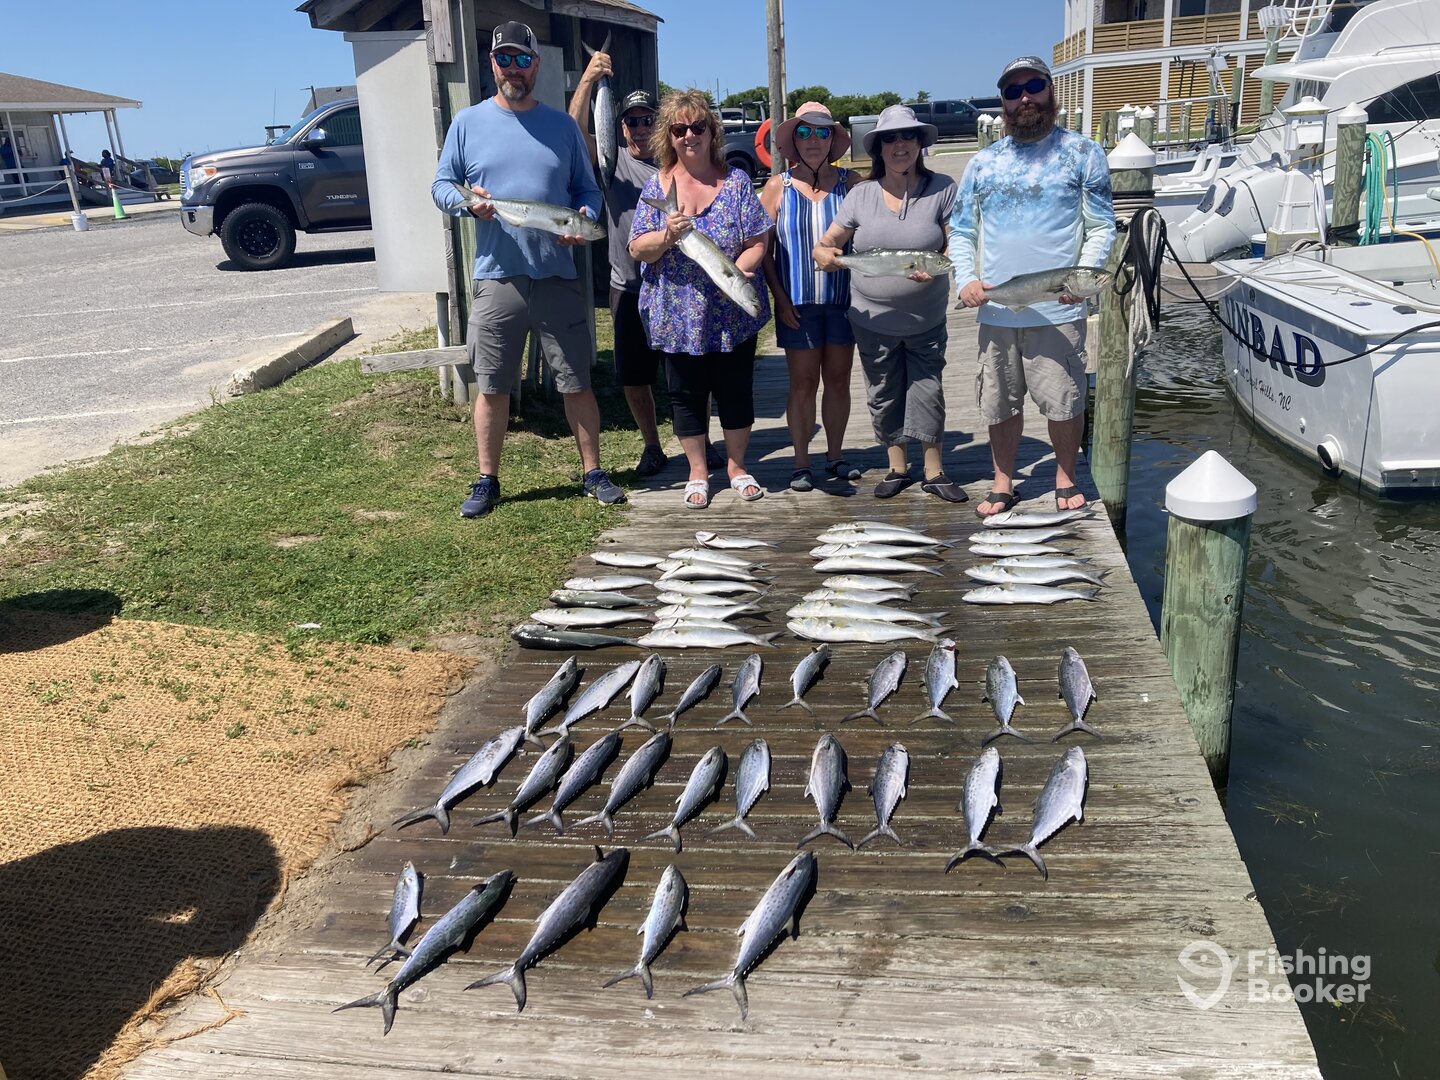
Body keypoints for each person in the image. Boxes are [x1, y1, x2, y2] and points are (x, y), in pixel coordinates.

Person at [431, 20, 623, 518]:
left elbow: (587, 191)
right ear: (492, 64)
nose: (513, 68)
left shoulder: (563, 127)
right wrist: (468, 205)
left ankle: (593, 472)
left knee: (576, 380)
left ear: (536, 65)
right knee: (492, 384)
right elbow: (442, 186)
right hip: (497, 275)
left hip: (556, 274)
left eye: (522, 59)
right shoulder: (467, 123)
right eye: (504, 59)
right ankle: (487, 479)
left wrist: (584, 217)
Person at [951, 55, 1115, 515]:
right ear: (1003, 102)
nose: (1024, 98)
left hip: (1060, 307)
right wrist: (966, 279)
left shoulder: (1083, 153)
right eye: (1013, 91)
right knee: (998, 401)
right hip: (997, 308)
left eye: (1034, 87)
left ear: (1051, 90)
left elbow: (1101, 226)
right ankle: (1003, 481)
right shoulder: (983, 163)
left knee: (1063, 399)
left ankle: (1066, 476)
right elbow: (961, 231)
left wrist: (1083, 278)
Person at [568, 54, 726, 479]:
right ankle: (653, 446)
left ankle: (702, 442)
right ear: (620, 128)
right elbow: (573, 130)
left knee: (691, 371)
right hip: (629, 284)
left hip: (679, 289)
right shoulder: (611, 161)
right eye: (631, 121)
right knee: (635, 377)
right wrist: (589, 80)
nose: (639, 128)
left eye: (646, 120)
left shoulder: (676, 162)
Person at [813, 104, 965, 502]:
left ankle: (934, 470)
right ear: (879, 147)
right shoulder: (860, 195)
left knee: (927, 389)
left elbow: (957, 241)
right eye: (890, 138)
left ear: (919, 143)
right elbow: (829, 242)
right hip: (871, 320)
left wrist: (938, 265)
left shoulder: (943, 188)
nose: (900, 145)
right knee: (883, 391)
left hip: (926, 318)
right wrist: (824, 253)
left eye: (908, 136)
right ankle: (898, 467)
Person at [629, 90, 772, 509]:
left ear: (712, 132)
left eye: (698, 126)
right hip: (677, 314)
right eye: (679, 129)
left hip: (730, 312)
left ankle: (736, 467)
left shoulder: (737, 182)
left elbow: (758, 241)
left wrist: (740, 272)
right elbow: (638, 248)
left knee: (735, 390)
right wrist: (668, 235)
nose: (689, 135)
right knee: (685, 393)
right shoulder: (657, 185)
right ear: (669, 136)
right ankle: (696, 471)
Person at [760, 101, 861, 493]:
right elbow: (763, 251)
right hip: (797, 306)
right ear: (794, 141)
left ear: (833, 139)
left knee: (838, 380)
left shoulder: (852, 184)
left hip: (844, 302)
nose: (814, 140)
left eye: (822, 132)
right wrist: (780, 299)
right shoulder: (777, 187)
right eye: (804, 132)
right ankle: (801, 462)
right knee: (802, 383)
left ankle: (835, 455)